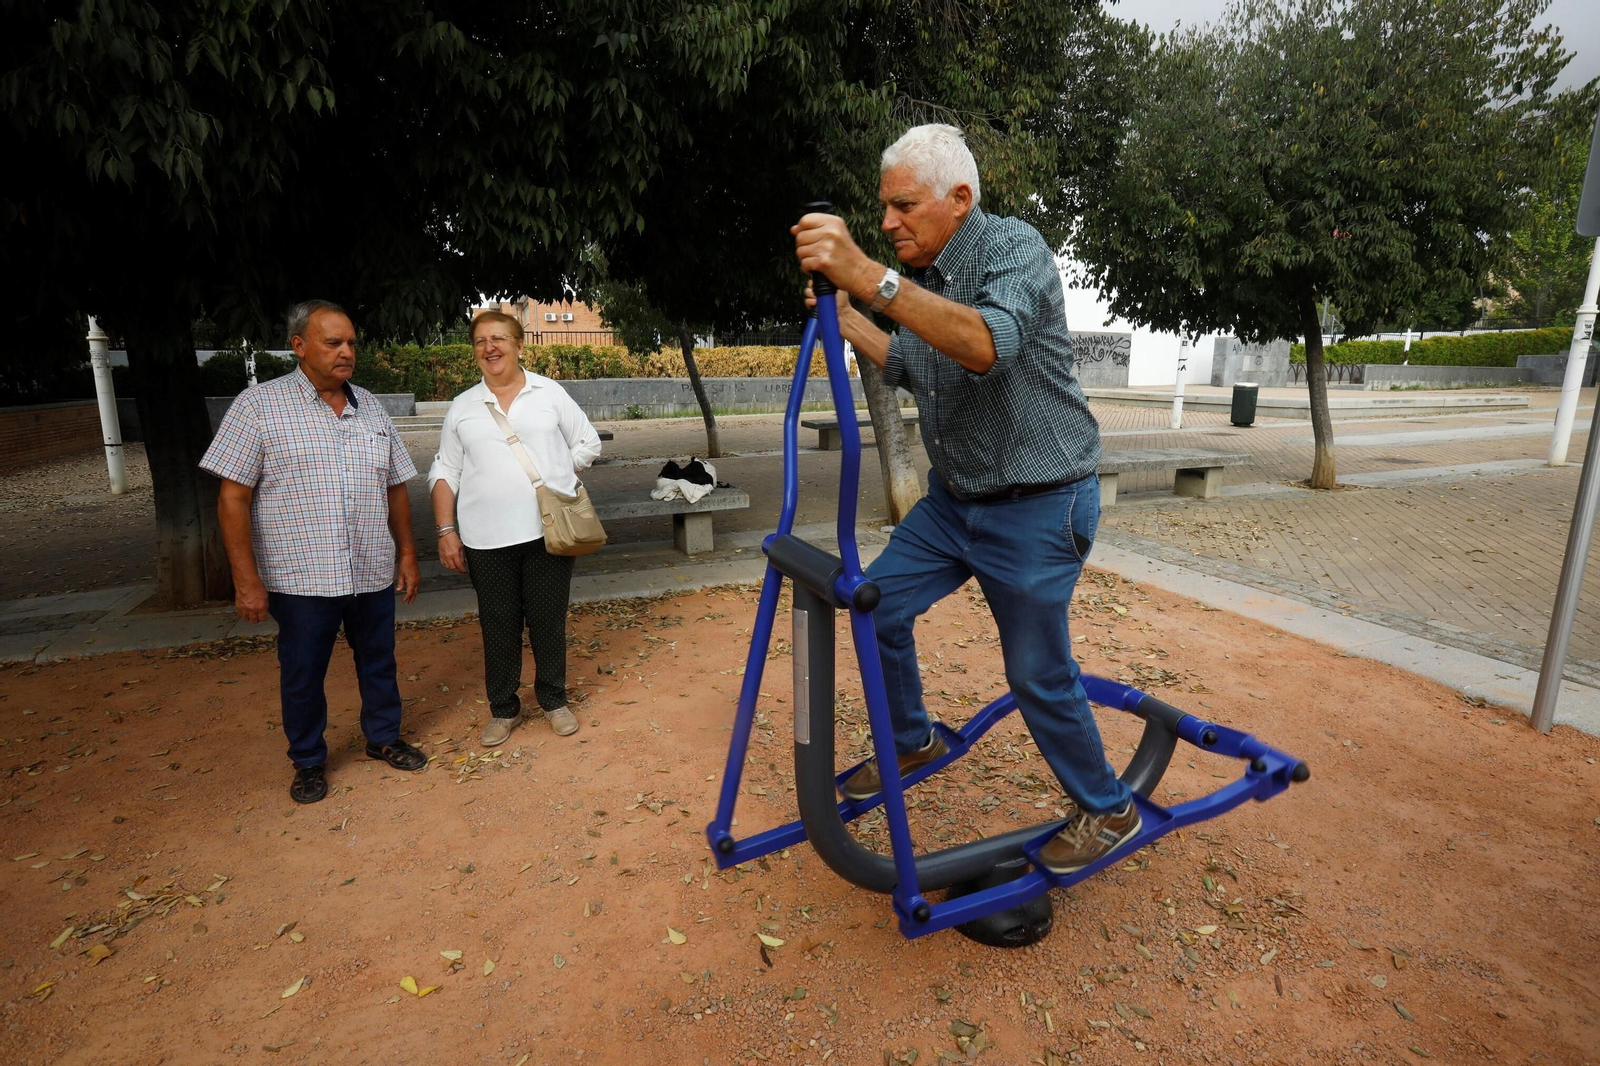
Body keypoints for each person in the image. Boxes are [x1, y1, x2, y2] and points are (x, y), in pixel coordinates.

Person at [791, 123, 1138, 874]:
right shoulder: (932, 276)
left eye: (904, 206)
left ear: (959, 199)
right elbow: (918, 359)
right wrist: (849, 316)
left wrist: (871, 276)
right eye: (884, 209)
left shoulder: (1013, 249)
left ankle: (1108, 807)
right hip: (959, 502)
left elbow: (984, 346)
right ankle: (911, 739)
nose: (888, 223)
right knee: (875, 601)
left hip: (1040, 502)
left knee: (1037, 673)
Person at [201, 299, 427, 804]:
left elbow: (395, 487)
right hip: (300, 579)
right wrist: (246, 580)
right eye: (334, 343)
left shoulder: (370, 406)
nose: (346, 352)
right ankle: (307, 760)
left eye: (351, 343)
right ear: (299, 346)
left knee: (379, 661)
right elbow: (232, 497)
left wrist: (407, 554)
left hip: (369, 569)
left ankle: (384, 738)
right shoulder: (258, 406)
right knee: (303, 673)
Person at [428, 310, 602, 747]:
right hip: (484, 538)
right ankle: (503, 710)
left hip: (548, 532)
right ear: (474, 351)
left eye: (500, 338)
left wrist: (558, 478)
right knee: (498, 624)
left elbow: (588, 442)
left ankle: (554, 701)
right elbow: (445, 471)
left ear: (519, 344)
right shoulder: (462, 406)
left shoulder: (548, 392)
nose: (491, 347)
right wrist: (446, 530)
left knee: (547, 620)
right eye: (482, 340)